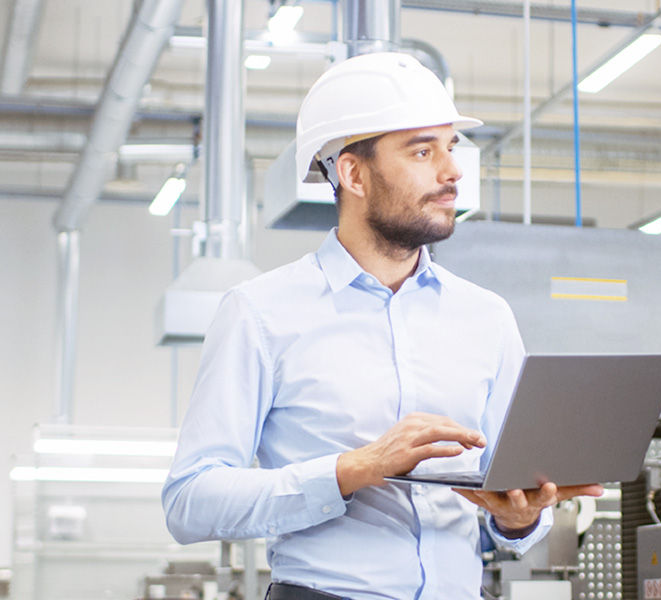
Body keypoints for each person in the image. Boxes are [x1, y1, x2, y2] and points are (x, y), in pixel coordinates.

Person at [162, 52, 602, 600]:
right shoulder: (260, 312)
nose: (452, 172)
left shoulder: (486, 317)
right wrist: (352, 469)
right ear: (352, 173)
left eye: (451, 147)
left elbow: (506, 500)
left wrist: (519, 517)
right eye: (422, 151)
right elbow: (188, 501)